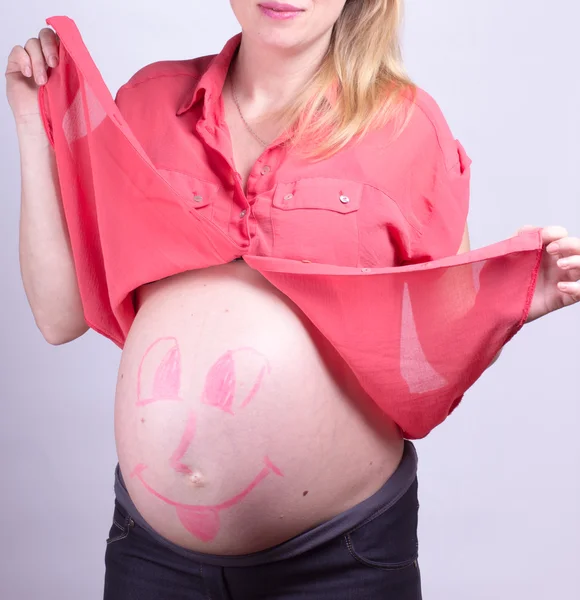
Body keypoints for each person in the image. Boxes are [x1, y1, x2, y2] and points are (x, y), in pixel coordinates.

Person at [6, 1, 579, 598]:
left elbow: (429, 362)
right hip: (152, 558)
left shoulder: (408, 126)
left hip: (338, 562)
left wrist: (505, 304)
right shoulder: (146, 104)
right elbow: (58, 315)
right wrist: (29, 119)